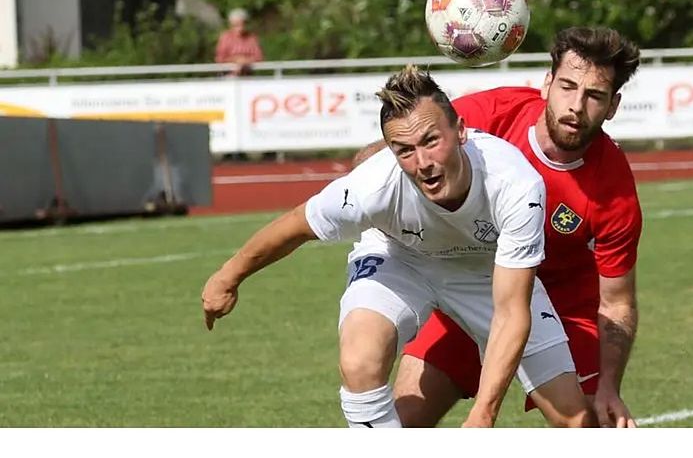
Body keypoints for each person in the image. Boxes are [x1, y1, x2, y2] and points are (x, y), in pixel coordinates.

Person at [201, 65, 596, 428]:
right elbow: (295, 226)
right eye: (404, 150)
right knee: (360, 359)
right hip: (400, 259)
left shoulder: (515, 185)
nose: (422, 162)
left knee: (574, 420)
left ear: (461, 130)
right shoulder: (372, 185)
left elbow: (511, 313)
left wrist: (483, 412)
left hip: (484, 269)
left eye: (431, 141)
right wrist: (227, 277)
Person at [353, 27, 644, 428]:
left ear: (612, 106)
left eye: (594, 96)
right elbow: (388, 155)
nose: (576, 105)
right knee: (404, 422)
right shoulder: (492, 113)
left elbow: (617, 303)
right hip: (472, 289)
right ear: (547, 83)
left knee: (591, 427)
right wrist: (380, 162)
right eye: (567, 86)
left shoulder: (614, 189)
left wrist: (610, 386)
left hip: (562, 308)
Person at [215, 7, 264, 77]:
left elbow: (259, 57)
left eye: (242, 24)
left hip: (247, 77)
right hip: (228, 76)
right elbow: (220, 58)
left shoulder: (251, 38)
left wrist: (245, 61)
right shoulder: (225, 38)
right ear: (231, 25)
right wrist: (235, 59)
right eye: (236, 25)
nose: (240, 28)